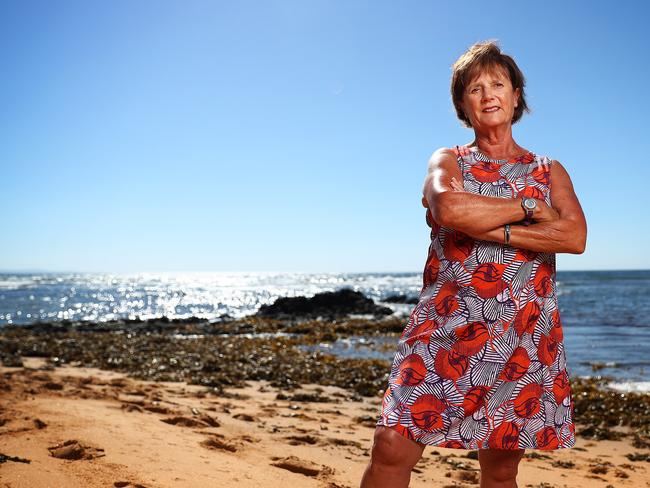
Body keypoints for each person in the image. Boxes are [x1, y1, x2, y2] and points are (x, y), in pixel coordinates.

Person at [360, 40, 587, 488]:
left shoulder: (550, 170)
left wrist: (488, 225)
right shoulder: (449, 160)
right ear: (462, 104)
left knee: (501, 469)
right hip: (445, 328)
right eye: (475, 88)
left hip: (519, 336)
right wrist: (526, 207)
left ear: (516, 94)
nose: (488, 95)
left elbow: (573, 237)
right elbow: (448, 208)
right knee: (392, 446)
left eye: (498, 84)